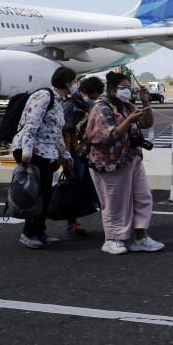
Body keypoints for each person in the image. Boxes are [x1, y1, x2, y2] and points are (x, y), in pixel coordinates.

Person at [83, 71, 163, 255]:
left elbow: (147, 123)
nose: (127, 91)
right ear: (111, 90)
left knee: (142, 197)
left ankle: (141, 237)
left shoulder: (128, 106)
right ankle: (112, 239)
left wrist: (146, 103)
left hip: (131, 159)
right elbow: (108, 134)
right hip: (110, 163)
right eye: (123, 87)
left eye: (129, 87)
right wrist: (128, 121)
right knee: (115, 201)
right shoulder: (101, 108)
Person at [10, 67, 76, 249]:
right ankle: (28, 233)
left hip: (46, 152)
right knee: (36, 193)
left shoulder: (59, 101)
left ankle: (40, 230)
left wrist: (65, 155)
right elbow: (32, 124)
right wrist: (27, 152)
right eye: (75, 81)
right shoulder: (45, 96)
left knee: (46, 193)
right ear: (67, 82)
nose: (76, 85)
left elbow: (56, 133)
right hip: (31, 151)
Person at [61, 76, 105, 237]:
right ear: (84, 92)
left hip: (84, 151)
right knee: (74, 185)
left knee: (90, 183)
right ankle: (71, 223)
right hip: (73, 152)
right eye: (93, 97)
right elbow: (65, 130)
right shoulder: (71, 106)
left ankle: (111, 219)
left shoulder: (84, 104)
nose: (95, 100)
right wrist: (66, 157)